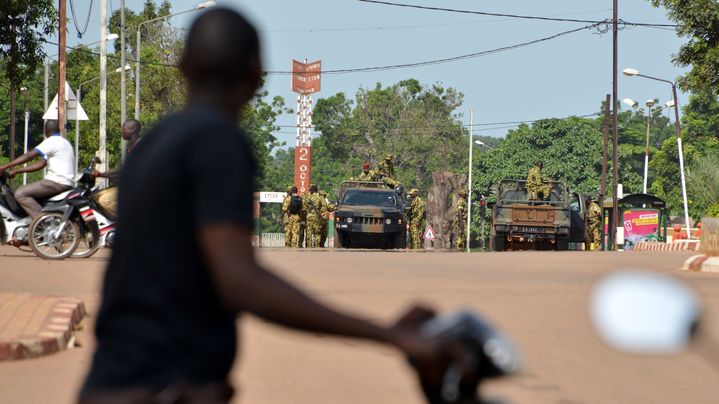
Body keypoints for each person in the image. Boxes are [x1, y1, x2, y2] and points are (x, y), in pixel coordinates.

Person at [79, 9, 444, 403]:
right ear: (255, 74)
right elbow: (239, 279)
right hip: (159, 386)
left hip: (113, 380)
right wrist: (388, 334)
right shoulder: (216, 141)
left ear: (183, 67)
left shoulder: (155, 145)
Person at [0, 119, 75, 219]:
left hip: (57, 182)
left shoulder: (51, 141)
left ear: (46, 131)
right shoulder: (65, 143)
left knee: (20, 193)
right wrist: (17, 171)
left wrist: (5, 166)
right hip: (66, 183)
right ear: (59, 130)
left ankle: (43, 222)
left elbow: (29, 156)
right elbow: (41, 164)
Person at [91, 119, 143, 219]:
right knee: (95, 196)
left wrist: (101, 174)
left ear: (132, 130)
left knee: (104, 200)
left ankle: (126, 223)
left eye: (123, 128)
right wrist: (101, 174)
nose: (121, 130)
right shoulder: (133, 147)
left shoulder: (139, 147)